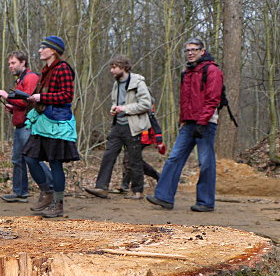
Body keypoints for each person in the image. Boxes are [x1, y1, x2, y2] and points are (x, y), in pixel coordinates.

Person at [147, 38, 223, 212]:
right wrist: (182, 121)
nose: (190, 53)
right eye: (187, 50)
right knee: (174, 158)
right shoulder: (187, 72)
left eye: (194, 49)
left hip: (206, 123)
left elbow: (213, 99)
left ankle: (205, 202)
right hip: (188, 124)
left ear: (202, 51)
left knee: (206, 162)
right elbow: (185, 101)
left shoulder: (212, 71)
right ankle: (164, 197)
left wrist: (202, 122)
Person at [22, 36, 79, 218]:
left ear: (53, 50)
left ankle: (58, 203)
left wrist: (42, 98)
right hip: (42, 122)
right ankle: (46, 192)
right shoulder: (46, 70)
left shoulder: (62, 69)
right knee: (30, 157)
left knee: (55, 163)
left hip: (57, 123)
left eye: (43, 47)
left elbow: (67, 96)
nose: (39, 50)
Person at [84, 55, 152, 200]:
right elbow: (118, 102)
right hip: (118, 125)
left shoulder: (138, 82)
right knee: (108, 155)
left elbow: (146, 104)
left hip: (133, 126)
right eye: (111, 67)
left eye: (114, 67)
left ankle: (138, 191)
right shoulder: (116, 84)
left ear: (124, 67)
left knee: (134, 159)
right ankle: (101, 188)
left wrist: (124, 108)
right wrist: (114, 109)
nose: (111, 71)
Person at [0, 51, 54, 211]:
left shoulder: (30, 78)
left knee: (33, 158)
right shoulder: (21, 79)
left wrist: (7, 96)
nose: (10, 66)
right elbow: (20, 103)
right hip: (20, 125)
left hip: (29, 125)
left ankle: (52, 187)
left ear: (23, 62)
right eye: (9, 63)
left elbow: (28, 99)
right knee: (18, 160)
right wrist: (12, 107)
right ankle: (19, 192)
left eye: (13, 63)